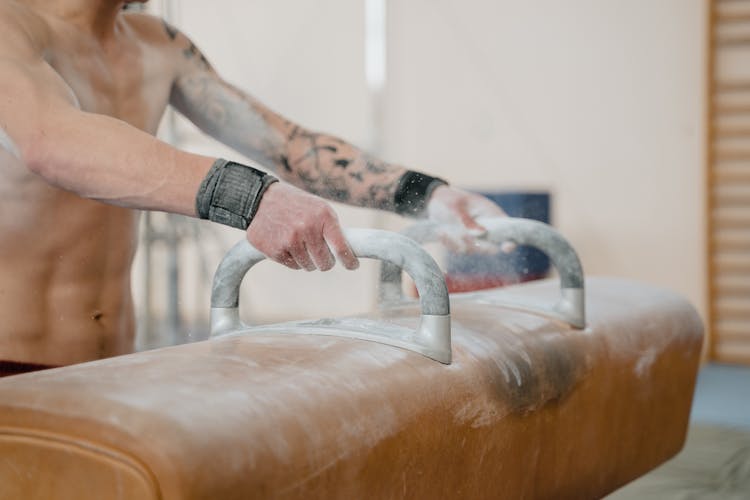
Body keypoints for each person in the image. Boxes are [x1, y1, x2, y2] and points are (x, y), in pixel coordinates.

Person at [0, 0, 505, 374]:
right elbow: (52, 142)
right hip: (14, 368)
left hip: (112, 367)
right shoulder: (11, 26)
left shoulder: (157, 44)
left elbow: (286, 145)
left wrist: (426, 195)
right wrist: (252, 197)